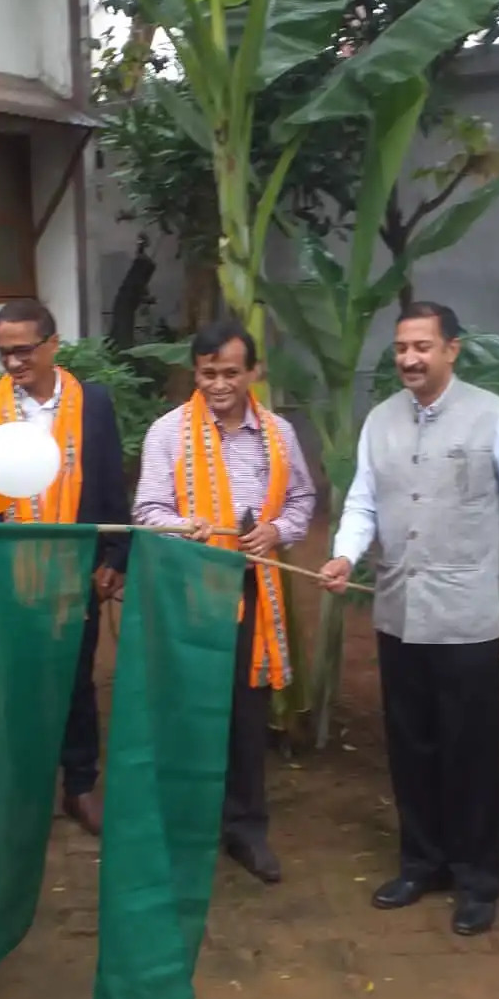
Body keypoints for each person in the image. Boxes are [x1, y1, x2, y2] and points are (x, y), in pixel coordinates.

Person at [320, 302, 499, 936]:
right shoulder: (380, 421)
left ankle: (478, 879)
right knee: (411, 747)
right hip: (398, 612)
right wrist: (344, 553)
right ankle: (422, 862)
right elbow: (364, 500)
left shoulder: (496, 417)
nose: (410, 359)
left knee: (470, 753)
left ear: (453, 349)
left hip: (468, 617)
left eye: (422, 346)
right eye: (401, 348)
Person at [133, 320, 315, 883]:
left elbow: (303, 498)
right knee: (188, 706)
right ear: (196, 372)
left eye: (231, 373)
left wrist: (277, 530)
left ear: (254, 373)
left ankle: (246, 828)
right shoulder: (169, 433)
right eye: (208, 373)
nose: (218, 384)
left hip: (253, 588)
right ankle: (185, 828)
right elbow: (146, 511)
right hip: (189, 587)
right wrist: (188, 529)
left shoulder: (279, 433)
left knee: (245, 710)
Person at [0, 299, 129, 837]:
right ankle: (27, 789)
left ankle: (80, 787)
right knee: (18, 684)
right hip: (11, 579)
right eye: (4, 352)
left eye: (24, 350)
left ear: (53, 345)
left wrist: (115, 556)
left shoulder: (94, 404)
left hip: (77, 571)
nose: (14, 363)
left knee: (76, 682)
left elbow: (111, 481)